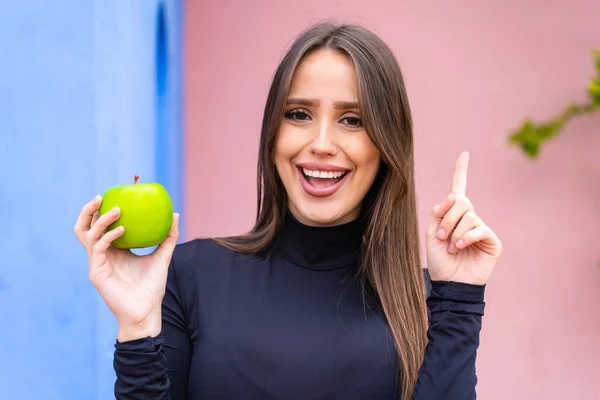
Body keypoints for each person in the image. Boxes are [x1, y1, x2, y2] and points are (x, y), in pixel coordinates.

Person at [74, 22, 502, 400]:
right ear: (273, 136)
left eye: (352, 119)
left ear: (386, 146)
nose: (320, 142)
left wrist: (461, 300)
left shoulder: (428, 302)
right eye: (299, 114)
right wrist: (136, 325)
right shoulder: (189, 277)